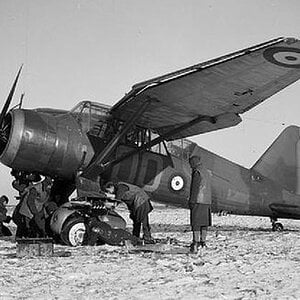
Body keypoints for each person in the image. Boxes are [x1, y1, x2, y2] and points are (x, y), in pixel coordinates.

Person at [188, 155, 212, 253]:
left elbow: (195, 188)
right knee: (204, 223)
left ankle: (195, 243)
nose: (190, 166)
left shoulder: (197, 172)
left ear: (193, 162)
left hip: (198, 200)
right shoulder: (206, 171)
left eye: (190, 164)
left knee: (196, 223)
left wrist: (192, 201)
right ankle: (203, 242)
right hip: (207, 201)